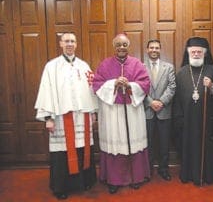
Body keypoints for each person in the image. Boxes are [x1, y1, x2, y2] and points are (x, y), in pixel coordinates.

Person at [34, 33, 98, 200]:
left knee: (82, 150)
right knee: (62, 153)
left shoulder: (84, 66)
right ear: (61, 44)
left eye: (72, 41)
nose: (69, 44)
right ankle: (61, 187)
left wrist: (92, 113)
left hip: (82, 117)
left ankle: (84, 182)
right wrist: (48, 117)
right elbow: (46, 91)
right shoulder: (52, 66)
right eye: (66, 41)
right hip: (61, 118)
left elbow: (91, 91)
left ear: (76, 44)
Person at [92, 33, 151, 194]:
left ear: (128, 46)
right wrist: (114, 84)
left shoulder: (137, 64)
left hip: (132, 110)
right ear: (114, 46)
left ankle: (135, 177)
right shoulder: (105, 64)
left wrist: (131, 85)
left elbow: (145, 83)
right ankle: (114, 180)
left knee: (133, 142)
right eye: (118, 44)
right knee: (115, 143)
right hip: (112, 112)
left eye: (124, 45)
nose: (121, 48)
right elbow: (96, 84)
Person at [173, 37, 213, 186]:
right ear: (188, 53)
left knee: (205, 148)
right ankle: (188, 174)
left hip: (206, 119)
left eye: (199, 52)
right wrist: (179, 118)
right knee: (188, 147)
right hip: (187, 120)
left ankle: (206, 175)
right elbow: (176, 99)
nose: (196, 54)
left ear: (204, 54)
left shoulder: (211, 70)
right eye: (193, 52)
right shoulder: (181, 73)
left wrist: (212, 86)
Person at [144, 39, 176, 181]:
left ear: (160, 50)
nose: (154, 50)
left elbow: (172, 87)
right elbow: (138, 88)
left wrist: (161, 102)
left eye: (157, 48)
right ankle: (148, 170)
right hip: (147, 111)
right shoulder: (140, 67)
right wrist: (151, 102)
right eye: (151, 48)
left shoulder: (168, 67)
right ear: (147, 50)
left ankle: (164, 169)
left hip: (164, 111)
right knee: (148, 143)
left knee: (164, 142)